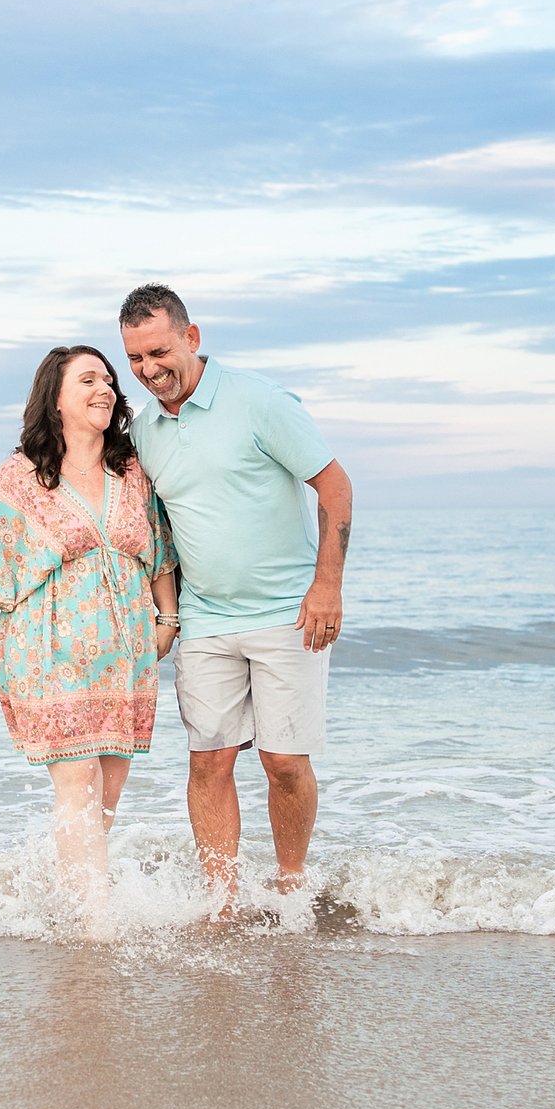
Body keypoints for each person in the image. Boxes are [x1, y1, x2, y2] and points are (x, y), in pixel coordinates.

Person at [118, 283, 353, 920]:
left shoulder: (261, 402)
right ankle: (222, 904)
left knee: (282, 761)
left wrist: (326, 585)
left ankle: (290, 881)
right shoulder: (145, 431)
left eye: (159, 351)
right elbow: (149, 528)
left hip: (286, 612)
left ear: (192, 338)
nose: (149, 370)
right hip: (203, 618)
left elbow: (334, 487)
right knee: (209, 758)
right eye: (135, 359)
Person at [0, 345, 180, 935]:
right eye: (88, 379)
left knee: (106, 793)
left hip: (126, 655)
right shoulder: (21, 477)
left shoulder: (130, 472)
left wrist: (167, 620)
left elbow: (160, 551)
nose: (104, 388)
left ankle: (69, 901)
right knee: (77, 783)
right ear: (55, 396)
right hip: (48, 652)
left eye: (108, 379)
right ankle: (92, 925)